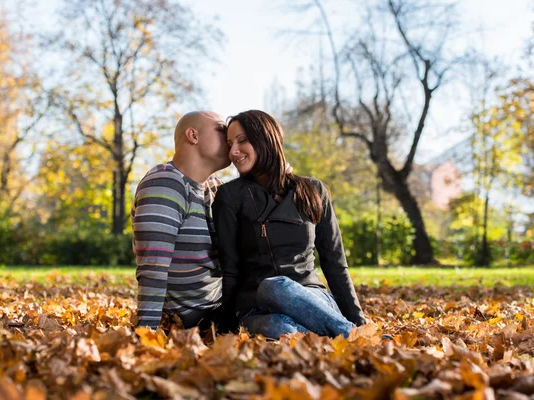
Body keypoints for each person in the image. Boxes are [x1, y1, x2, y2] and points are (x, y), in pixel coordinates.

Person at [212, 109, 367, 339]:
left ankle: (355, 334)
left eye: (242, 141)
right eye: (229, 143)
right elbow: (230, 267)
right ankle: (347, 337)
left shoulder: (314, 191)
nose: (234, 151)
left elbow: (334, 263)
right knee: (279, 326)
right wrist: (225, 328)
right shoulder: (230, 196)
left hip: (312, 298)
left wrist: (358, 319)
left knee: (277, 287)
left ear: (266, 139)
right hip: (256, 306)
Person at [131, 111, 231, 330]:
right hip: (192, 317)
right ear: (193, 136)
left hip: (223, 307)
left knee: (277, 295)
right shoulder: (165, 182)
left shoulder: (216, 188)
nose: (230, 136)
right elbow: (153, 267)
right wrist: (147, 336)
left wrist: (278, 178)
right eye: (222, 130)